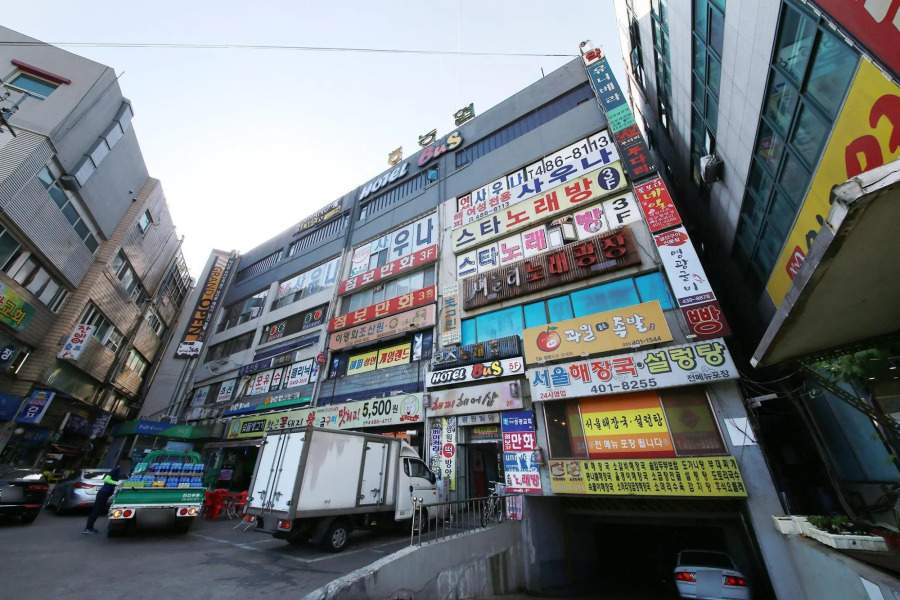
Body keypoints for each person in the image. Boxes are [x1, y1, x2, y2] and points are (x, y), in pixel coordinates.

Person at [83, 464, 122, 534]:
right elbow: (106, 479)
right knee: (96, 511)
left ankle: (89, 527)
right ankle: (88, 528)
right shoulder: (116, 469)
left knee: (98, 510)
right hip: (103, 493)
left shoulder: (119, 471)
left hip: (105, 494)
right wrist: (116, 483)